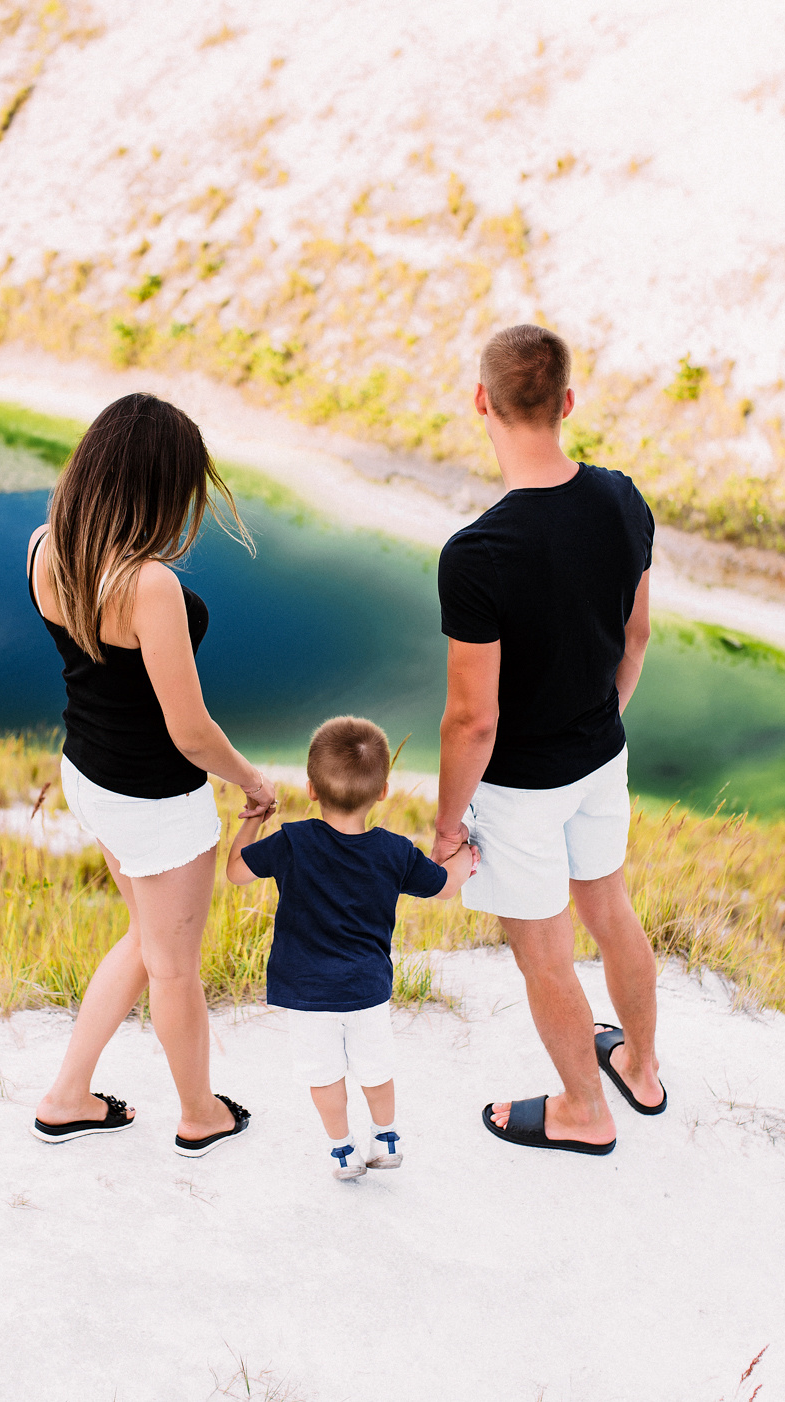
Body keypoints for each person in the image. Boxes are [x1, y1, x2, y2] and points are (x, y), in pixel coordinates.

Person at [431, 324, 667, 1157]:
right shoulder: (623, 499)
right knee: (611, 910)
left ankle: (582, 1111)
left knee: (545, 955)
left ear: (481, 404)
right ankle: (639, 1069)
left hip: (520, 789)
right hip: (602, 756)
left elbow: (473, 720)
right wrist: (595, 722)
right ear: (566, 403)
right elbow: (635, 639)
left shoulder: (477, 556)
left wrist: (445, 827)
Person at [27, 392, 277, 1159]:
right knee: (174, 970)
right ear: (156, 488)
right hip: (156, 803)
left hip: (90, 778)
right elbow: (190, 729)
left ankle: (68, 1097)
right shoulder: (149, 586)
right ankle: (200, 1116)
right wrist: (252, 783)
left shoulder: (46, 546)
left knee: (144, 938)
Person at [226, 716, 475, 1179]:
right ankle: (386, 1137)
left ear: (312, 789)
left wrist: (254, 822)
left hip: (305, 990)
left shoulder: (293, 842)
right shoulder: (394, 851)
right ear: (382, 792)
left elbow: (236, 870)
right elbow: (444, 887)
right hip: (367, 988)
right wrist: (465, 856)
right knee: (376, 1068)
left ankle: (343, 1150)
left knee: (323, 1074)